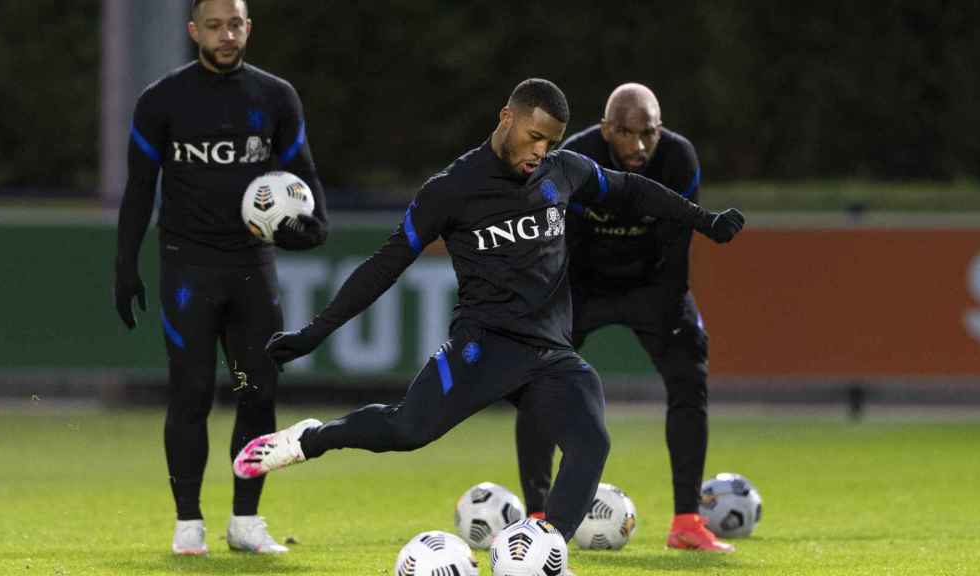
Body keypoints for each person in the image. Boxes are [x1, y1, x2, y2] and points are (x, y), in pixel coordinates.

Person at [231, 79, 743, 547]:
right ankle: (312, 438)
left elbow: (633, 190)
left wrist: (705, 220)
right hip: (483, 345)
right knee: (407, 431)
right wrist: (315, 332)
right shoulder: (450, 190)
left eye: (553, 141)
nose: (541, 151)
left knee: (591, 443)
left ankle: (546, 551)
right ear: (507, 119)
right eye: (535, 136)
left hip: (549, 353)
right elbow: (384, 266)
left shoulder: (561, 172)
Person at [113, 0, 328, 556]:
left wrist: (314, 226)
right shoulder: (161, 100)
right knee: (190, 395)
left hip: (253, 269)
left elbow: (303, 174)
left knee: (258, 395)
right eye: (214, 25)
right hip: (187, 265)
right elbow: (139, 187)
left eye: (235, 24)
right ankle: (188, 524)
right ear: (193, 32)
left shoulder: (275, 96)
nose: (226, 34)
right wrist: (124, 264)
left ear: (249, 28)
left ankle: (246, 522)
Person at [514, 83, 734, 552]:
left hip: (650, 283)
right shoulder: (576, 156)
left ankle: (687, 522)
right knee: (535, 376)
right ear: (605, 128)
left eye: (648, 134)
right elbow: (555, 242)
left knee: (689, 373)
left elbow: (679, 244)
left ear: (661, 129)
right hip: (582, 284)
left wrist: (672, 310)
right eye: (626, 133)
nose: (638, 146)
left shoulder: (678, 159)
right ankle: (535, 515)